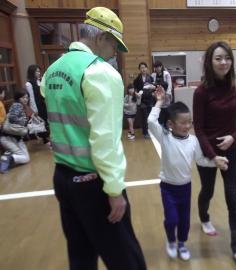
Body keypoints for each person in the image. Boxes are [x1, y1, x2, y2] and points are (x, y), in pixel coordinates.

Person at [40, 7, 147, 270]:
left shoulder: (53, 70)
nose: (115, 53)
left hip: (63, 178)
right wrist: (113, 189)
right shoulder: (101, 73)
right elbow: (105, 140)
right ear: (101, 38)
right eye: (114, 45)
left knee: (81, 257)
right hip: (93, 182)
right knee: (127, 260)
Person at [148, 87, 228, 261]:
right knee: (171, 219)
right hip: (168, 187)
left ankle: (181, 243)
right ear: (170, 124)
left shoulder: (193, 141)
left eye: (189, 122)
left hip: (185, 188)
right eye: (183, 122)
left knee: (184, 220)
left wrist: (215, 161)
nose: (187, 126)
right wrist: (160, 101)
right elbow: (151, 121)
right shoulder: (165, 136)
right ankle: (171, 241)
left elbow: (200, 160)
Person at [193, 41, 236, 269]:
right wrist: (212, 155)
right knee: (207, 190)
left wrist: (233, 138)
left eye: (227, 58)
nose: (223, 62)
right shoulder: (201, 91)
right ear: (210, 61)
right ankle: (204, 218)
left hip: (231, 151)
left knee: (233, 199)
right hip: (207, 151)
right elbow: (197, 128)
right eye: (218, 58)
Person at [0, 90, 30, 173]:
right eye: (23, 97)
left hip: (15, 138)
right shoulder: (17, 105)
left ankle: (8, 154)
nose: (25, 99)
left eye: (27, 97)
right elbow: (12, 118)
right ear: (18, 98)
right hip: (8, 137)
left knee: (26, 158)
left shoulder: (20, 106)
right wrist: (25, 122)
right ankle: (7, 158)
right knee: (25, 158)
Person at [25, 64, 50, 144]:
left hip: (42, 105)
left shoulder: (39, 81)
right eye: (37, 71)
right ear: (32, 72)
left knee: (44, 121)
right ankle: (43, 138)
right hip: (36, 106)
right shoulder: (28, 84)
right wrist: (34, 110)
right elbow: (31, 97)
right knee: (39, 121)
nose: (39, 73)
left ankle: (44, 138)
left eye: (39, 71)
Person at [133, 62, 155, 139]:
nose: (143, 69)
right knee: (144, 117)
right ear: (139, 69)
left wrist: (153, 89)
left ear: (146, 68)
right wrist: (136, 93)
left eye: (144, 67)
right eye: (141, 68)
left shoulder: (150, 78)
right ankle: (145, 132)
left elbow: (154, 87)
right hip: (142, 100)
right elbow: (134, 89)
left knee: (150, 116)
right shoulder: (137, 79)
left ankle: (149, 131)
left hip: (150, 99)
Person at [151, 61, 172, 125]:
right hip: (157, 96)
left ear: (161, 66)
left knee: (166, 112)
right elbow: (152, 85)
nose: (157, 68)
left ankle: (167, 127)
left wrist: (168, 94)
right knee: (159, 112)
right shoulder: (153, 75)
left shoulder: (166, 74)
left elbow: (169, 84)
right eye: (156, 67)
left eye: (158, 67)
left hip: (166, 96)